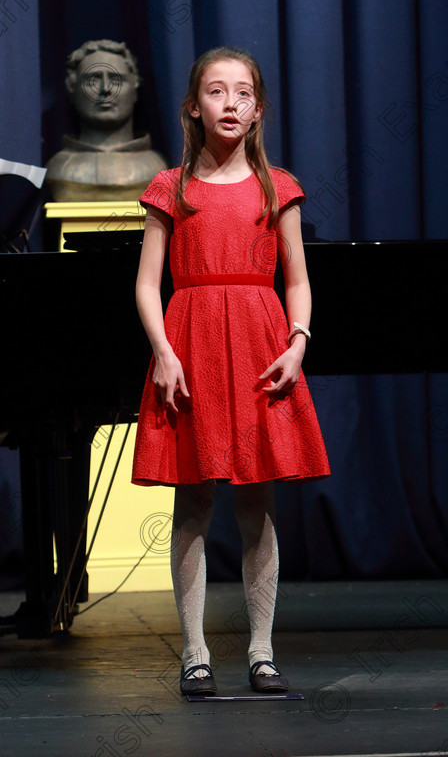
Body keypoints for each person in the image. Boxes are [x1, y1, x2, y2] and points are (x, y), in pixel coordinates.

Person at [131, 46, 330, 697]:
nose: (230, 103)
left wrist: (297, 341)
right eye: (216, 92)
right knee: (192, 502)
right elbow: (146, 284)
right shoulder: (172, 187)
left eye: (243, 93)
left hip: (257, 347)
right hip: (190, 349)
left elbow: (297, 280)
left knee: (256, 506)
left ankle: (262, 650)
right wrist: (163, 349)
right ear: (195, 106)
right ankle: (194, 650)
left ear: (258, 108)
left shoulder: (278, 188)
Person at [45, 39, 166, 202]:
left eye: (116, 80)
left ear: (135, 89)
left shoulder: (157, 169)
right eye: (93, 80)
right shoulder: (58, 169)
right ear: (72, 89)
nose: (106, 89)